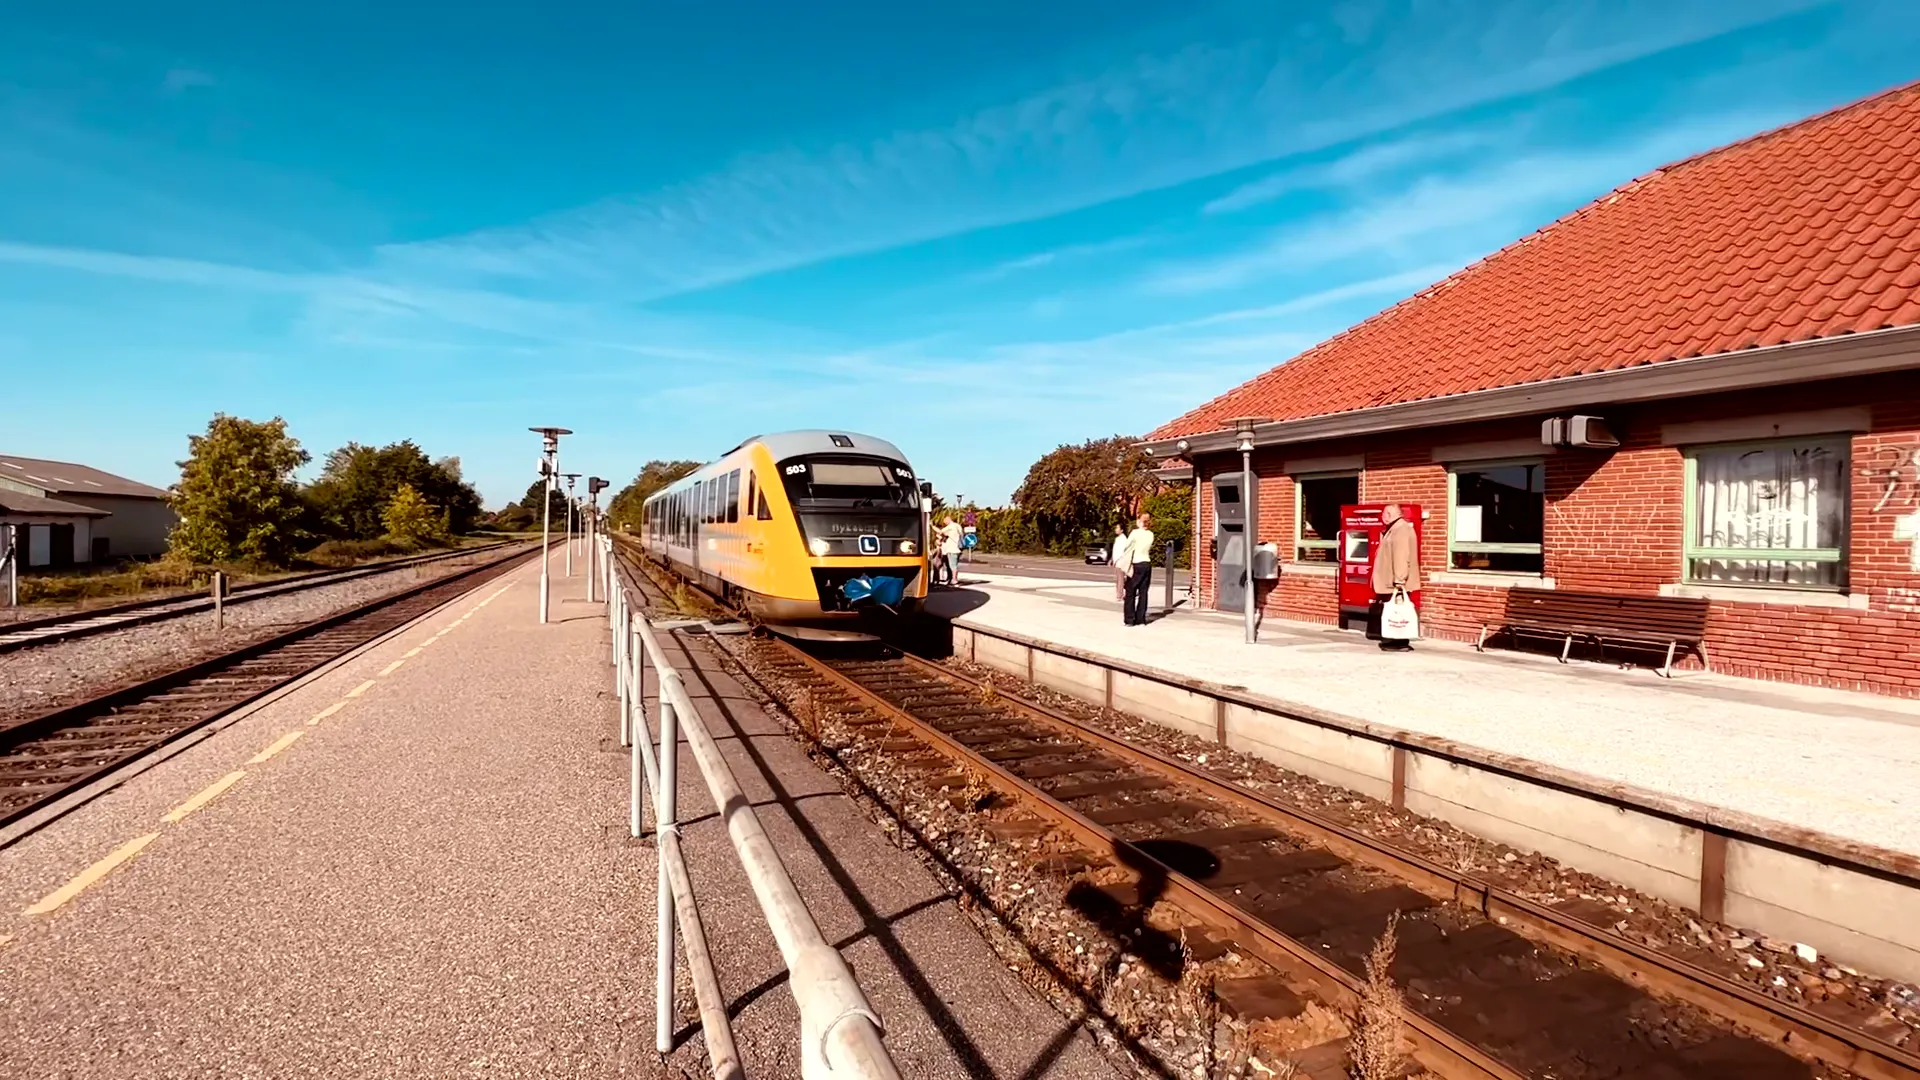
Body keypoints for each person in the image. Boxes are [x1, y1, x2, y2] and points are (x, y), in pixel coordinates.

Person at [1371, 503, 1421, 650]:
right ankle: (1395, 640)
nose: (1381, 517)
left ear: (1389, 514)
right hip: (1395, 581)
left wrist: (1399, 580)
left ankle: (1399, 642)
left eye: (1384, 514)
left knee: (1398, 611)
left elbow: (1401, 556)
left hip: (1398, 582)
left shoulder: (1401, 530)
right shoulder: (1395, 529)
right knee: (1396, 610)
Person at [1122, 512, 1155, 626]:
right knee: (1143, 592)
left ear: (1139, 521)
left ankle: (1129, 619)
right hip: (1147, 563)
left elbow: (1127, 546)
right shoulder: (1150, 534)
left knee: (1130, 591)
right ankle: (1141, 619)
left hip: (1136, 563)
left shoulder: (1135, 533)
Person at [938, 515, 964, 587]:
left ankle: (954, 580)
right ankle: (953, 579)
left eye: (945, 522)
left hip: (952, 549)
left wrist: (932, 526)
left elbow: (940, 532)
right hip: (958, 549)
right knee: (955, 564)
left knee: (952, 565)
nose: (945, 524)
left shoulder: (951, 526)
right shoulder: (958, 526)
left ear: (947, 520)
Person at [1110, 523, 1129, 602]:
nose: (1116, 529)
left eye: (1117, 528)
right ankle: (1120, 593)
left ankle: (1120, 595)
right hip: (1116, 561)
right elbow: (1115, 551)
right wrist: (1112, 559)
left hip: (1120, 561)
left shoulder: (1123, 539)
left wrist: (1117, 560)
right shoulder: (1117, 539)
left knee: (1121, 579)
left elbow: (1122, 551)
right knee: (1118, 579)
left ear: (1122, 530)